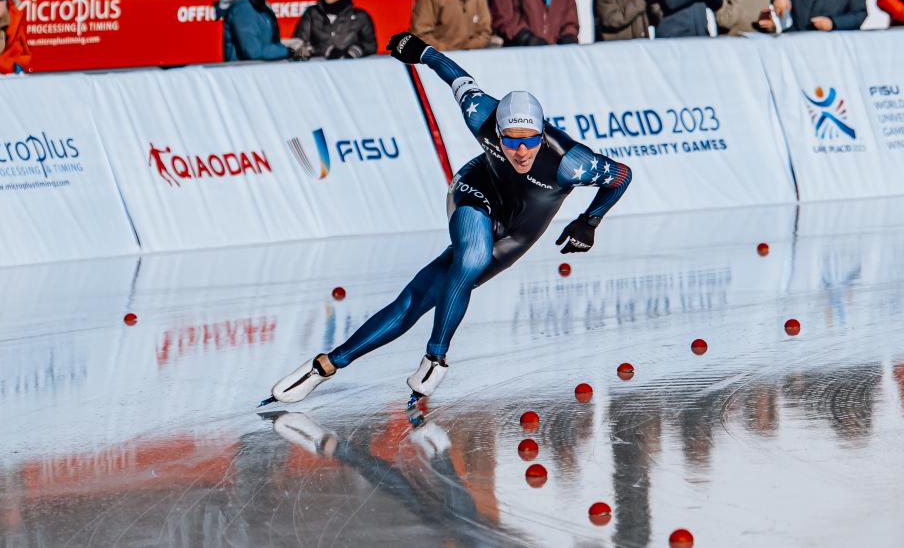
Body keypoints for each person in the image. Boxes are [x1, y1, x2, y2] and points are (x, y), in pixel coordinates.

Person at [261, 31, 633, 408]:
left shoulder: (573, 162)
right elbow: (458, 78)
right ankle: (435, 358)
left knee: (421, 298)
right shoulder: (480, 114)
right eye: (511, 141)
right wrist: (422, 52)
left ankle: (325, 364)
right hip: (475, 190)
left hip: (517, 232)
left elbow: (622, 176)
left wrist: (590, 220)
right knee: (471, 257)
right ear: (497, 131)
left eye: (530, 141)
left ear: (542, 133)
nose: (521, 151)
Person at [217, 0, 291, 61]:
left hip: (256, 72)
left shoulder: (258, 5)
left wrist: (287, 45)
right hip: (244, 73)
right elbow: (252, 51)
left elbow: (264, 42)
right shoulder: (242, 9)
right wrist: (287, 50)